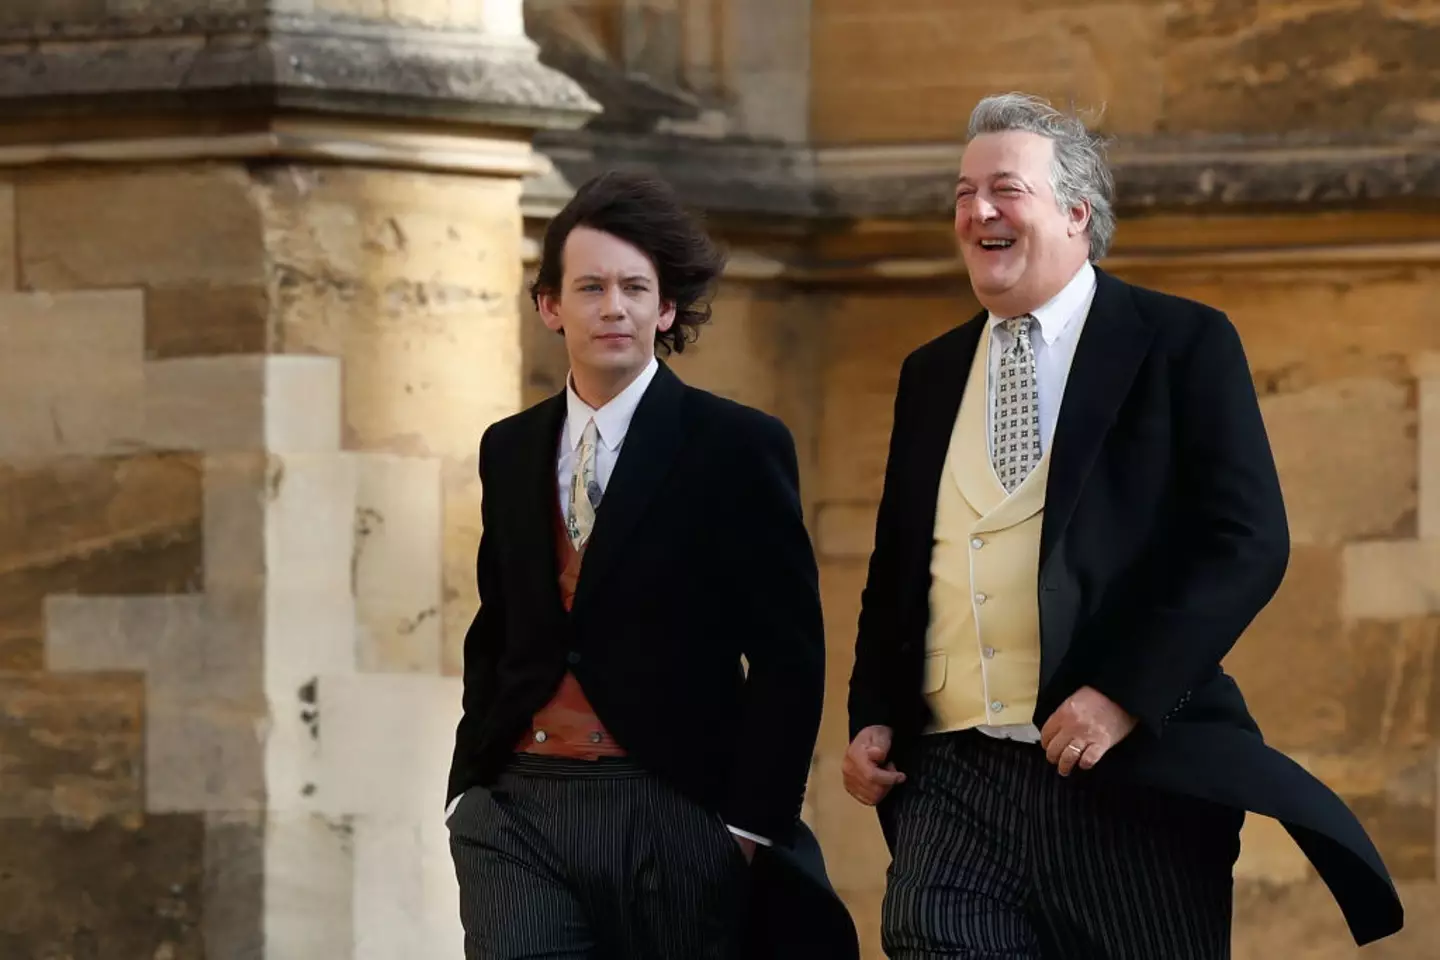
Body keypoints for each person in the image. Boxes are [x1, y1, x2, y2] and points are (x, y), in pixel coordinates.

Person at [843, 92, 1404, 958]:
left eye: (1003, 189)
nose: (976, 211)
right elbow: (903, 567)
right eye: (961, 193)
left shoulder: (1181, 342)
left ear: (1076, 211)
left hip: (1127, 781)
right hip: (952, 783)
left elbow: (1246, 540)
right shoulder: (931, 373)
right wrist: (875, 711)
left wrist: (1123, 697)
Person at [445, 170, 858, 960]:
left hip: (672, 807)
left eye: (636, 287)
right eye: (591, 286)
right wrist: (469, 785)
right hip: (519, 808)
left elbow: (787, 655)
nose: (614, 306)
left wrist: (744, 826)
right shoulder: (510, 447)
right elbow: (497, 624)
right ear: (549, 306)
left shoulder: (737, 445)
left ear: (665, 308)